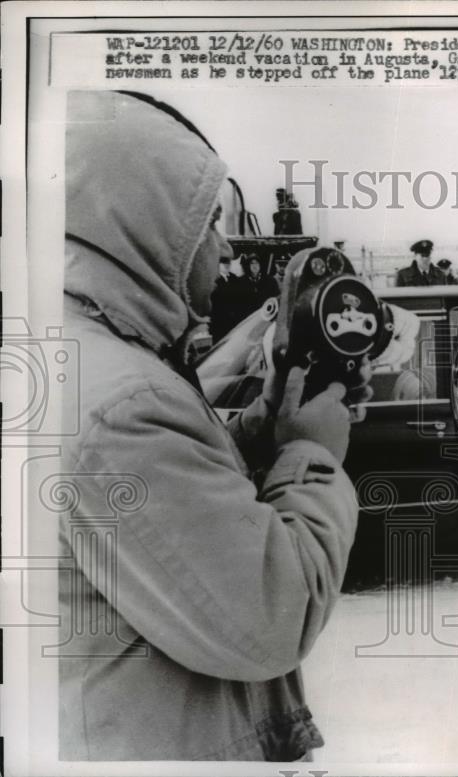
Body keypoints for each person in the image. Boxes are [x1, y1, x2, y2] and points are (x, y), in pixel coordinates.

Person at [61, 90, 364, 761]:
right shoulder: (126, 406)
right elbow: (267, 614)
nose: (226, 247)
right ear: (152, 227)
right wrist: (312, 453)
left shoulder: (86, 354)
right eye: (209, 224)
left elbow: (168, 518)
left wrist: (255, 433)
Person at [208, 254, 242, 342]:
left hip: (234, 322)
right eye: (224, 263)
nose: (227, 265)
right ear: (218, 264)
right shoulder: (213, 280)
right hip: (219, 323)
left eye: (229, 262)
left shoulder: (235, 279)